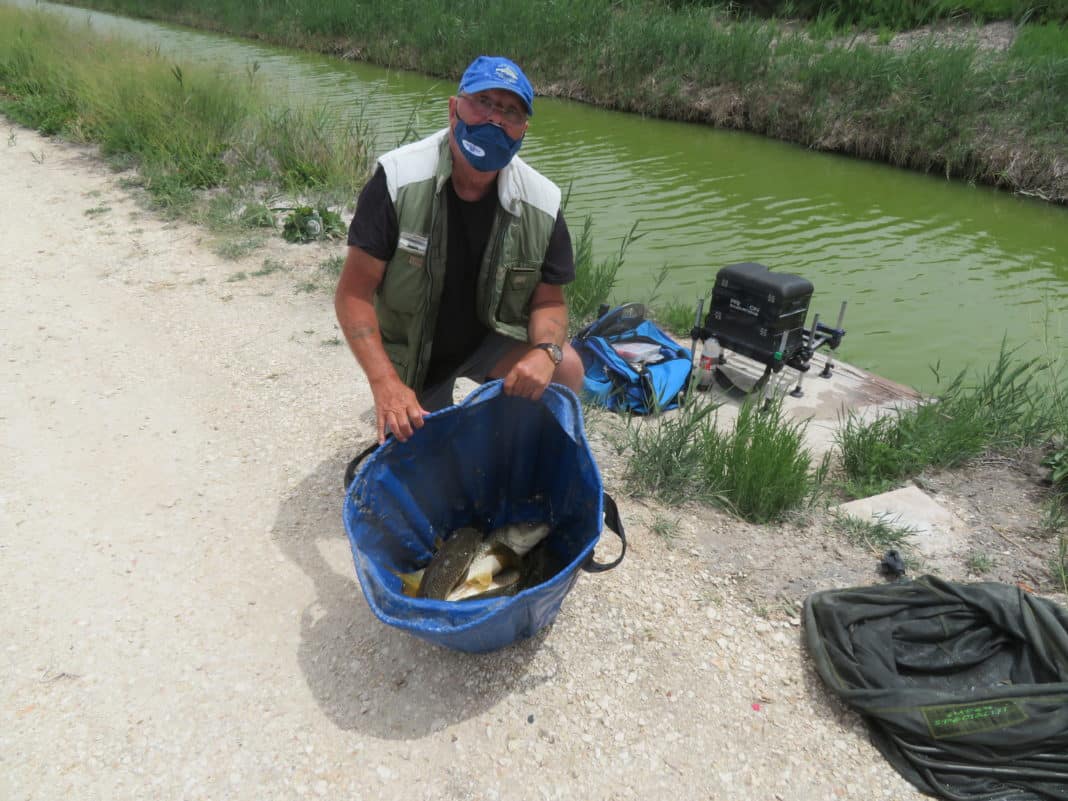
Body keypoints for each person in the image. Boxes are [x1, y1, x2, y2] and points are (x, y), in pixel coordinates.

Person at [335, 55, 584, 445]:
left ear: (523, 129)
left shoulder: (543, 202)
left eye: (511, 112)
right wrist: (385, 383)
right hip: (417, 353)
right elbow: (353, 293)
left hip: (488, 341)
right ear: (454, 108)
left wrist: (546, 352)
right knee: (422, 461)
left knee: (566, 367)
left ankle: (518, 445)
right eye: (483, 102)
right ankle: (414, 397)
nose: (495, 120)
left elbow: (549, 300)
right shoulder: (398, 179)